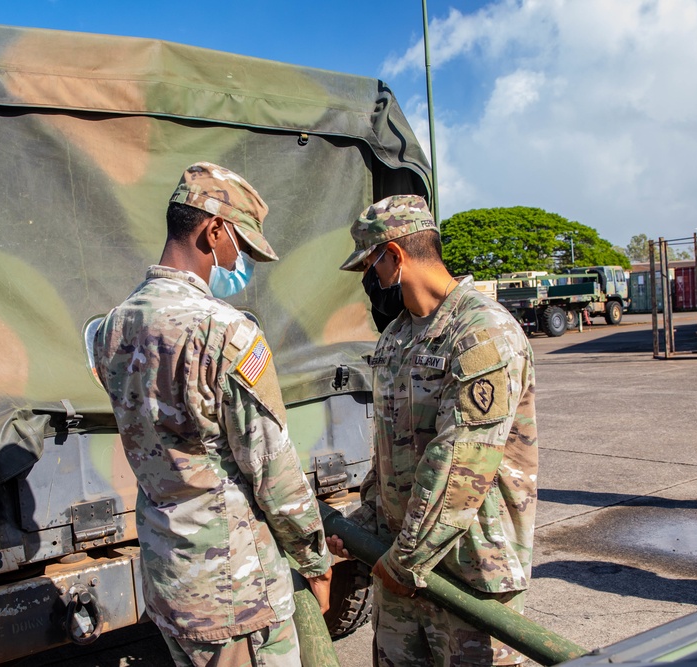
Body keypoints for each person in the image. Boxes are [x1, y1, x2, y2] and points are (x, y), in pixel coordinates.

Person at [93, 162, 332, 667]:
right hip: (236, 592)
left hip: (169, 577)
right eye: (237, 244)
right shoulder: (226, 331)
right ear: (213, 229)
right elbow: (273, 468)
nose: (237, 258)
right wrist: (315, 559)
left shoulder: (112, 327)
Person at [329, 194, 539, 666]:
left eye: (372, 265)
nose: (372, 279)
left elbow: (461, 466)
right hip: (399, 568)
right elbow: (389, 450)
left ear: (395, 255)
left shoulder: (481, 333)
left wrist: (404, 560)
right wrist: (365, 522)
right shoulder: (398, 336)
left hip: (468, 573)